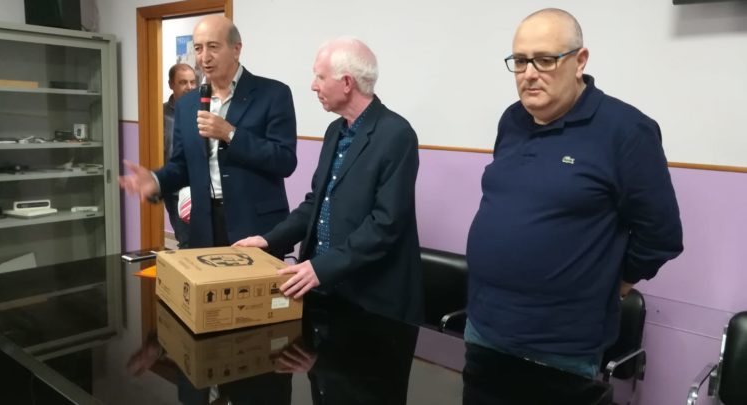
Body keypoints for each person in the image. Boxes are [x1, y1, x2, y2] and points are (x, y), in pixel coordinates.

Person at [465, 8, 683, 378]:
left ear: (580, 61)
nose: (529, 73)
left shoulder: (627, 131)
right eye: (520, 61)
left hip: (559, 346)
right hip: (483, 326)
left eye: (545, 60)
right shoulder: (512, 120)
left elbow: (661, 236)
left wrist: (615, 283)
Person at [234, 37, 423, 322]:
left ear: (347, 83)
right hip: (322, 289)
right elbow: (316, 203)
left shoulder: (396, 135)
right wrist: (268, 240)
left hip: (370, 300)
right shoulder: (335, 130)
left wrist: (322, 268)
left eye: (320, 77)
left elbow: (386, 224)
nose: (313, 86)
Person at [120, 16, 297, 249]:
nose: (204, 57)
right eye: (198, 48)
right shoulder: (187, 104)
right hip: (205, 226)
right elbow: (182, 165)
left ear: (236, 49)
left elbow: (285, 161)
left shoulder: (273, 94)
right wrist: (156, 180)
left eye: (213, 47)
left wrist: (230, 134)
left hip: (256, 225)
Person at [162, 63, 197, 248]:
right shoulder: (159, 114)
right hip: (174, 190)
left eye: (192, 82)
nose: (189, 87)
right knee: (185, 240)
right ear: (171, 84)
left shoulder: (203, 111)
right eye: (183, 82)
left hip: (200, 187)